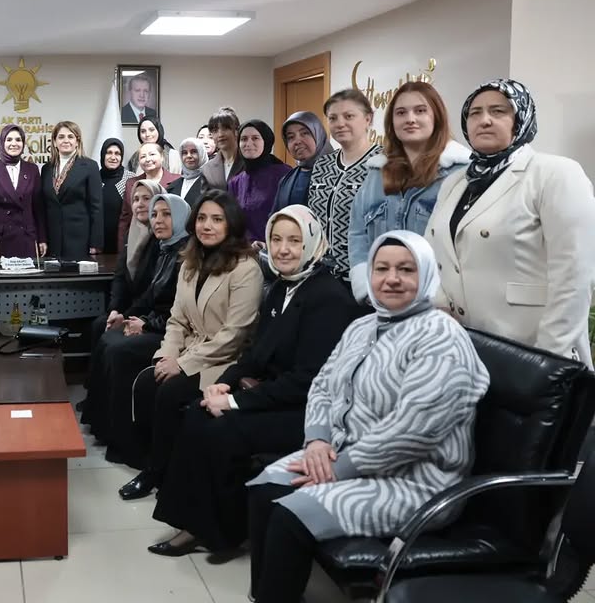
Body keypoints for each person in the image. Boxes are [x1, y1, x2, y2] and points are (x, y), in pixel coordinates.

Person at [245, 231, 489, 603]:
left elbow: (412, 432)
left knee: (290, 517)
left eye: (406, 270)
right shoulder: (365, 325)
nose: (392, 278)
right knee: (264, 491)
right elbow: (324, 384)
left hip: (417, 480)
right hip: (343, 454)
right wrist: (317, 439)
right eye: (382, 268)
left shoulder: (441, 337)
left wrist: (334, 470)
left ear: (425, 275)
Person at [147, 205, 355, 556]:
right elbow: (256, 354)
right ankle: (193, 522)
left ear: (313, 244)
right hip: (271, 395)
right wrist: (225, 383)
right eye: (276, 240)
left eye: (294, 240)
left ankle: (221, 533)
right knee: (198, 413)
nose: (283, 249)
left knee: (220, 429)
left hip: (307, 413)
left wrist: (234, 402)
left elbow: (306, 382)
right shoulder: (281, 288)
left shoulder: (328, 297)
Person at [426, 78, 595, 365]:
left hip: (529, 348)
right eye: (475, 113)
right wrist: (440, 305)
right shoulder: (455, 182)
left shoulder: (554, 173)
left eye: (499, 111)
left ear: (522, 118)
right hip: (464, 347)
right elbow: (434, 251)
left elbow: (574, 277)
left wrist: (547, 358)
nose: (485, 120)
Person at [117, 190, 263, 500]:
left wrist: (181, 365)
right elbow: (176, 319)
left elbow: (233, 336)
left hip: (225, 360)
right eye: (202, 219)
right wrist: (166, 355)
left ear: (231, 224)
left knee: (170, 392)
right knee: (146, 384)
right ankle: (155, 461)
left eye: (217, 219)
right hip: (190, 351)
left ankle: (157, 474)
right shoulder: (190, 261)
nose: (207, 226)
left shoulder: (246, 268)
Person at [348, 81, 469, 303]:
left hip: (437, 304)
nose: (410, 119)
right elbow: (358, 232)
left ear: (436, 117)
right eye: (401, 113)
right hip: (381, 300)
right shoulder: (376, 174)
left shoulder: (461, 173)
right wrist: (366, 286)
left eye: (420, 111)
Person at [81, 179, 166, 442]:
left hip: (150, 314)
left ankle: (103, 408)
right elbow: (120, 277)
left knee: (110, 336)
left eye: (147, 199)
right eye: (136, 199)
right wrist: (115, 309)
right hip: (134, 306)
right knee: (100, 324)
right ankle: (96, 399)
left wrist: (132, 316)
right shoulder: (132, 231)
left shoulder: (161, 238)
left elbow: (154, 291)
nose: (141, 204)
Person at [308, 89, 382, 284]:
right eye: (333, 118)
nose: (340, 124)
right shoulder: (322, 165)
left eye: (349, 116)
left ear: (368, 119)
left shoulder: (384, 163)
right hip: (319, 276)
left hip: (364, 277)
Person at [0, 123, 47, 259]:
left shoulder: (32, 169)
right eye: (9, 140)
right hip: (0, 238)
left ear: (23, 143)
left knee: (28, 279)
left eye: (18, 140)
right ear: (2, 142)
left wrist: (42, 239)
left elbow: (39, 209)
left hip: (27, 237)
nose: (14, 143)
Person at [40, 120, 103, 260]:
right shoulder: (46, 169)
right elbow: (43, 207)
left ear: (77, 141)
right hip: (53, 239)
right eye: (61, 137)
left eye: (70, 136)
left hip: (79, 239)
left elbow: (96, 208)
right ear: (55, 142)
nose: (66, 140)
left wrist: (95, 242)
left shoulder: (90, 166)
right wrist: (42, 238)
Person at [228, 119, 292, 244]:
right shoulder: (235, 182)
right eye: (244, 139)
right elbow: (232, 222)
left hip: (276, 251)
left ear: (266, 141)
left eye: (255, 138)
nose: (248, 143)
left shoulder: (284, 175)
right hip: (243, 252)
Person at [118, 142, 181, 249]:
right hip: (138, 243)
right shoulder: (131, 183)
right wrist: (121, 248)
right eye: (143, 156)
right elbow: (125, 218)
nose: (147, 159)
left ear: (162, 157)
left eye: (152, 154)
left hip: (168, 243)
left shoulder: (177, 180)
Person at [271, 111, 333, 211]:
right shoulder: (287, 179)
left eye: (305, 133)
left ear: (318, 134)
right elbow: (276, 218)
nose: (297, 141)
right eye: (291, 137)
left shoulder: (337, 173)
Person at [99, 137, 133, 254]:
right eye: (109, 153)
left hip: (124, 243)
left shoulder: (131, 179)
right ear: (103, 155)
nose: (113, 157)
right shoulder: (94, 177)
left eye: (117, 153)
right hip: (99, 244)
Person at [201, 107, 245, 189]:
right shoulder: (208, 169)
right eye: (215, 130)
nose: (220, 134)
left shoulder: (248, 162)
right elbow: (206, 199)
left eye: (225, 128)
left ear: (236, 131)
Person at [168, 137, 209, 208]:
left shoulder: (211, 181)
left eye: (193, 152)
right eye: (184, 153)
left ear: (202, 154)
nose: (188, 156)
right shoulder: (173, 186)